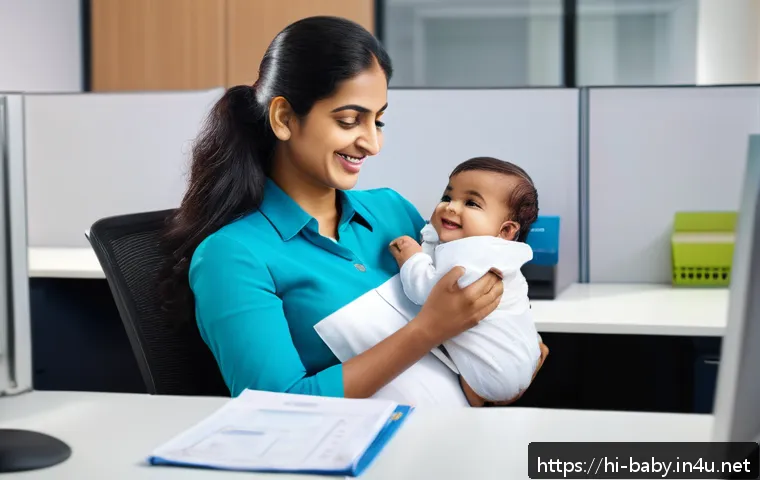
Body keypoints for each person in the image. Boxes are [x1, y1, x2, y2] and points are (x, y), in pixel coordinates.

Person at [160, 15, 548, 406]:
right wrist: (429, 329)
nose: (372, 143)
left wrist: (502, 368)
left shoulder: (392, 210)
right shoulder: (233, 255)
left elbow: (470, 321)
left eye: (378, 121)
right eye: (349, 120)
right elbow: (274, 405)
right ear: (283, 118)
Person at [388, 157, 542, 406]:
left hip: (497, 371)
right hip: (526, 351)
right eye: (448, 197)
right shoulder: (496, 251)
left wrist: (411, 259)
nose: (450, 207)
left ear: (505, 231)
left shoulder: (471, 254)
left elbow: (428, 294)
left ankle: (478, 389)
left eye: (471, 203)